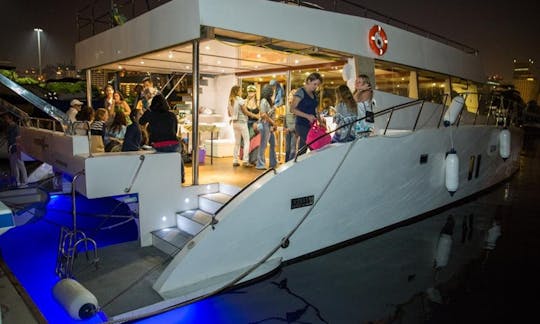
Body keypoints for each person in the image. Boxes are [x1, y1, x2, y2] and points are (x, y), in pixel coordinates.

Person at [139, 94, 185, 183]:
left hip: (158, 145)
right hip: (173, 145)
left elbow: (141, 121)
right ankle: (181, 177)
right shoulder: (171, 115)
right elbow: (175, 130)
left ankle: (159, 177)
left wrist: (148, 111)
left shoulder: (151, 114)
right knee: (178, 157)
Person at [290, 72, 323, 156]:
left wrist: (320, 121)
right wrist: (307, 116)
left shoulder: (314, 94)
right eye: (314, 84)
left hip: (311, 126)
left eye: (317, 85)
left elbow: (315, 109)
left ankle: (296, 165)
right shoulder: (300, 92)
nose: (316, 87)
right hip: (301, 125)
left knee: (303, 148)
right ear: (308, 81)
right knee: (314, 146)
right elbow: (292, 109)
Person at [228, 85, 257, 167]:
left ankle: (235, 160)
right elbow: (245, 112)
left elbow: (229, 113)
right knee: (247, 141)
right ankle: (245, 160)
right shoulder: (240, 100)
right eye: (240, 90)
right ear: (237, 91)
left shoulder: (230, 101)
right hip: (242, 123)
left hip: (234, 123)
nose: (241, 92)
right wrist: (255, 116)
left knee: (237, 142)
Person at [256, 84, 277, 170]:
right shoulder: (264, 101)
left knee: (273, 144)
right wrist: (272, 122)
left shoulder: (268, 101)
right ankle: (260, 164)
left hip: (268, 125)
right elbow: (263, 114)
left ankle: (273, 162)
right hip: (265, 125)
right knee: (263, 145)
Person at [3, 113, 28, 187]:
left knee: (20, 165)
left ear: (11, 118)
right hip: (11, 148)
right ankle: (17, 181)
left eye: (7, 118)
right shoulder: (9, 127)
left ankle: (25, 181)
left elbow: (18, 138)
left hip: (15, 148)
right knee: (14, 166)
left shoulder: (15, 127)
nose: (5, 120)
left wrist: (18, 149)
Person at [245, 85, 260, 164]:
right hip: (246, 124)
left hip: (255, 124)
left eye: (252, 91)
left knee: (256, 142)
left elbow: (261, 114)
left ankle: (254, 159)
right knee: (247, 142)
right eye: (249, 91)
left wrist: (258, 122)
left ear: (255, 92)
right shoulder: (244, 101)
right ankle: (247, 159)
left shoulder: (258, 102)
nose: (250, 93)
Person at [284, 88, 298, 162]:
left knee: (293, 150)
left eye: (290, 95)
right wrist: (284, 128)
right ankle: (286, 164)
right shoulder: (287, 106)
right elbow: (285, 117)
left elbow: (298, 120)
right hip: (287, 131)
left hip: (294, 132)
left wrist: (291, 129)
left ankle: (290, 165)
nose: (289, 97)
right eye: (289, 95)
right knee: (287, 149)